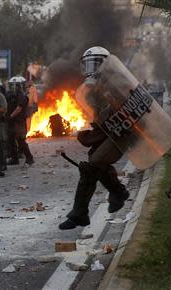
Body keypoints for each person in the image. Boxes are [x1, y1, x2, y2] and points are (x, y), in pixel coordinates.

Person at [59, 46, 129, 230]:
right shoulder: (97, 88)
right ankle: (118, 192)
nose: (93, 70)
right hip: (115, 131)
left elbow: (118, 111)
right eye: (90, 65)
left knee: (91, 166)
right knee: (95, 160)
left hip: (125, 132)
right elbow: (100, 117)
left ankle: (79, 214)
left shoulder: (115, 84)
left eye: (97, 65)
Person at [6, 76, 34, 165]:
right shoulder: (9, 94)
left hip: (19, 121)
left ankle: (29, 158)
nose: (14, 87)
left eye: (16, 85)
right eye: (12, 85)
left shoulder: (22, 96)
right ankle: (14, 158)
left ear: (19, 86)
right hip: (11, 120)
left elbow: (19, 108)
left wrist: (11, 116)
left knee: (20, 140)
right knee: (10, 139)